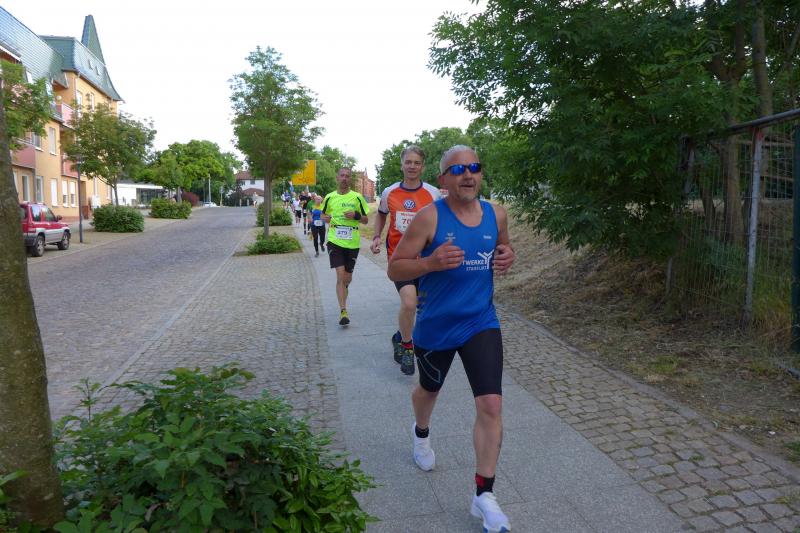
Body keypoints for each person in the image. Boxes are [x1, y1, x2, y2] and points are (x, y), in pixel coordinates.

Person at [387, 145, 515, 533]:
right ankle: (421, 433)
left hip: (480, 322)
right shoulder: (429, 217)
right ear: (443, 179)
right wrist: (429, 263)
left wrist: (507, 255)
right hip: (437, 326)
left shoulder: (496, 213)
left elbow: (504, 246)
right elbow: (395, 269)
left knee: (491, 404)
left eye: (474, 167)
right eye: (458, 169)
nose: (468, 174)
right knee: (428, 391)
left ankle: (484, 495)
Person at [370, 145, 440, 376]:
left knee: (422, 306)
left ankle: (400, 336)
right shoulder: (389, 192)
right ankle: (408, 348)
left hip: (426, 260)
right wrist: (376, 236)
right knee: (409, 303)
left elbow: (442, 220)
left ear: (423, 166)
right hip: (399, 258)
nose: (412, 166)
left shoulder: (433, 194)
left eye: (416, 163)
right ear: (401, 165)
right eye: (408, 162)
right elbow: (381, 215)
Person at [321, 168, 369, 326]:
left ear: (350, 179)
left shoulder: (357, 197)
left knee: (347, 278)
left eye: (347, 176)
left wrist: (356, 215)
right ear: (337, 178)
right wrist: (326, 218)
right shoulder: (329, 197)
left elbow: (366, 220)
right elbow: (322, 214)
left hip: (352, 242)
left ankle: (344, 287)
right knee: (340, 276)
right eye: (342, 176)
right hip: (334, 240)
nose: (344, 178)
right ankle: (343, 311)